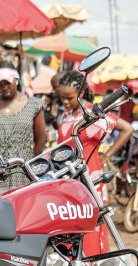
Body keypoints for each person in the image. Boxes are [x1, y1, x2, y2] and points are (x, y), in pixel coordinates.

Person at [56, 70, 132, 254]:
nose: (65, 102)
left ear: (81, 93)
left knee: (91, 223)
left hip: (91, 176)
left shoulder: (94, 114)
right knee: (71, 225)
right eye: (62, 98)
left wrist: (107, 156)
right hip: (68, 178)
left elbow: (127, 129)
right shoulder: (65, 116)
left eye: (69, 98)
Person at [0, 67, 46, 198]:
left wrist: (29, 160)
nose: (4, 87)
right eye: (0, 84)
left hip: (23, 167)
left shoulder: (34, 105)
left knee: (22, 208)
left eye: (8, 83)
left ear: (16, 80)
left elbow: (40, 141)